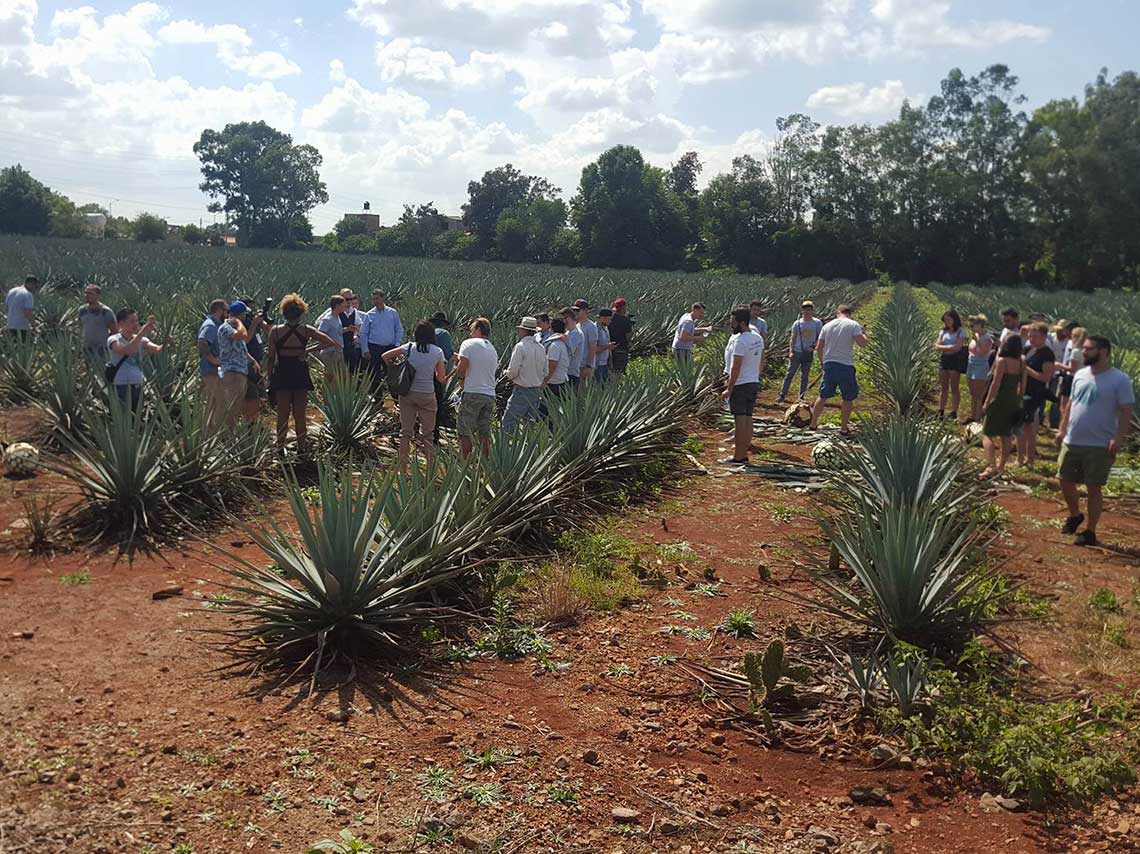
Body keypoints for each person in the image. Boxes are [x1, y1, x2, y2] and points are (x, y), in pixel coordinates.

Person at [1056, 335, 1134, 546]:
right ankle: (1075, 515)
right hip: (1073, 439)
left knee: (1093, 487)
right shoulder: (1080, 374)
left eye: (1090, 349)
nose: (1085, 353)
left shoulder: (1120, 380)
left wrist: (1118, 438)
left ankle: (1090, 531)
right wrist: (1062, 429)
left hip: (1100, 444)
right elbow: (1071, 403)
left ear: (1104, 352)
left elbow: (1127, 411)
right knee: (1064, 480)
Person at [266, 294, 337, 454]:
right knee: (300, 413)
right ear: (300, 313)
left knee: (282, 414)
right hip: (300, 371)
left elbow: (271, 358)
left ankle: (280, 447)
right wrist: (306, 350)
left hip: (282, 372)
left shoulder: (275, 332)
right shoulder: (306, 330)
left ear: (284, 313)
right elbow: (329, 342)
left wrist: (269, 379)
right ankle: (301, 448)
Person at [384, 320, 446, 469]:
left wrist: (395, 369)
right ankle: (430, 469)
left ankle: (403, 468)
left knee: (405, 432)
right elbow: (441, 378)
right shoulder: (437, 352)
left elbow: (385, 356)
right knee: (428, 435)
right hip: (427, 394)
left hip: (408, 393)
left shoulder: (409, 347)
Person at [810, 305, 868, 435]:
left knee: (823, 395)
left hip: (830, 364)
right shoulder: (853, 324)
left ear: (838, 313)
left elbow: (819, 347)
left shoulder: (827, 326)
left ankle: (813, 424)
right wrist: (864, 333)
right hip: (845, 365)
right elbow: (862, 343)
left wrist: (823, 362)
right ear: (849, 314)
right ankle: (843, 428)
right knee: (848, 398)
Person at [721, 307, 765, 465]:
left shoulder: (740, 341)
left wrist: (729, 388)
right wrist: (756, 375)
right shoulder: (757, 338)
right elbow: (762, 359)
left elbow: (735, 367)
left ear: (742, 322)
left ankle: (738, 456)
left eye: (734, 322)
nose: (732, 325)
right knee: (747, 417)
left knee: (739, 421)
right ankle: (743, 451)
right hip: (753, 382)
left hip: (740, 384)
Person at [980, 335, 1025, 478]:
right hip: (1013, 401)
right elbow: (1023, 386)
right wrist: (1018, 401)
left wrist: (987, 402)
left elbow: (996, 383)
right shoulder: (1022, 362)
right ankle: (1001, 466)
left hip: (999, 400)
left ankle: (990, 466)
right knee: (1006, 434)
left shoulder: (1002, 361)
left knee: (987, 434)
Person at [455, 317, 498, 458]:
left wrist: (461, 379)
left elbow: (463, 366)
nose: (470, 333)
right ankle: (484, 464)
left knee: (465, 431)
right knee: (484, 432)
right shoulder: (492, 348)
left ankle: (464, 464)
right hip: (489, 394)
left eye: (472, 329)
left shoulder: (468, 344)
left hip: (473, 392)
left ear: (478, 329)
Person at [107, 308, 164, 411]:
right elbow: (127, 350)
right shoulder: (113, 339)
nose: (136, 324)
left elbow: (158, 349)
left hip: (138, 383)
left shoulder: (142, 340)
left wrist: (167, 341)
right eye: (132, 321)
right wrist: (142, 333)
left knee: (137, 415)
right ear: (121, 323)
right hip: (122, 384)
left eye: (136, 321)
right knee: (123, 415)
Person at [1019, 321, 1056, 466]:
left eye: (1035, 336)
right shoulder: (1028, 349)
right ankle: (1020, 457)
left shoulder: (1047, 354)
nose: (1031, 338)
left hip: (1035, 393)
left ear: (1043, 336)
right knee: (1019, 425)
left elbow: (1045, 377)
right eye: (1030, 335)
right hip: (1022, 389)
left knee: (1029, 427)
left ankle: (1029, 459)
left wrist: (1027, 369)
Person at [217, 301, 258, 428]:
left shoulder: (233, 327)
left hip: (241, 371)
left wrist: (252, 361)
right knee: (233, 406)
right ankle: (230, 435)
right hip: (232, 372)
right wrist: (240, 323)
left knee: (247, 400)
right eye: (244, 315)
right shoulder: (226, 327)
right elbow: (242, 335)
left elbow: (241, 346)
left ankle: (248, 428)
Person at [502, 317, 547, 433]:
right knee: (530, 423)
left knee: (509, 422)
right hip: (536, 391)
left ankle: (507, 447)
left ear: (523, 331)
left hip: (522, 390)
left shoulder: (520, 347)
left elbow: (513, 371)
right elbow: (545, 371)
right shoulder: (541, 348)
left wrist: (506, 375)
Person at [360, 290, 404, 398]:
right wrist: (365, 350)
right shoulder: (369, 314)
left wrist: (397, 346)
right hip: (374, 348)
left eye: (377, 298)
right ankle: (378, 400)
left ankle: (396, 399)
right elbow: (363, 333)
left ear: (382, 298)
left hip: (389, 348)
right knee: (374, 375)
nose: (375, 301)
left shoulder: (392, 313)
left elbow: (399, 329)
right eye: (373, 299)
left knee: (391, 374)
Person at [777, 300, 823, 404]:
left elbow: (820, 337)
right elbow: (792, 338)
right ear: (802, 310)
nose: (807, 311)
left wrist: (814, 347)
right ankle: (782, 395)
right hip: (797, 351)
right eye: (805, 309)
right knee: (790, 374)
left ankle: (801, 396)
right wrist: (791, 351)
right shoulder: (797, 323)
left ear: (812, 310)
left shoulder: (817, 323)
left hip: (808, 352)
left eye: (809, 309)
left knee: (805, 376)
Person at [236, 296, 268, 422]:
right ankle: (249, 422)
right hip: (247, 363)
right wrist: (254, 324)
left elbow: (268, 330)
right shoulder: (238, 324)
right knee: (252, 394)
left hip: (256, 361)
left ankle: (253, 420)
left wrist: (262, 320)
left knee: (259, 392)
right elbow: (245, 340)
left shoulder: (249, 321)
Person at [197, 299, 227, 431]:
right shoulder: (210, 326)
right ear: (220, 310)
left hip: (215, 372)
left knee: (215, 403)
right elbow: (202, 342)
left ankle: (211, 434)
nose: (227, 313)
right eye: (226, 310)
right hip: (210, 372)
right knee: (213, 403)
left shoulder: (217, 325)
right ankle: (206, 436)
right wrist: (213, 359)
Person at [935, 310, 969, 420]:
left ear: (954, 319)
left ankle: (954, 411)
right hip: (944, 359)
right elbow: (937, 346)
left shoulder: (961, 332)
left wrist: (944, 347)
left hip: (955, 360)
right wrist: (950, 347)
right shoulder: (943, 331)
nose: (947, 322)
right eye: (945, 320)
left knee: (954, 387)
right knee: (943, 386)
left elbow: (958, 347)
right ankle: (941, 410)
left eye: (949, 320)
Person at [430, 311, 455, 441]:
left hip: (422, 372)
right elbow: (448, 353)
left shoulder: (427, 333)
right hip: (436, 372)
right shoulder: (444, 334)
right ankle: (434, 434)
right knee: (436, 403)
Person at [78, 284, 118, 364]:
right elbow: (81, 327)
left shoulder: (106, 312)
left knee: (102, 372)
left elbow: (114, 331)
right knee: (89, 372)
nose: (87, 295)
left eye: (90, 293)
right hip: (87, 348)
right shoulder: (82, 310)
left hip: (102, 349)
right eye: (86, 293)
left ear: (98, 295)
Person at [965, 314, 994, 422]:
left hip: (981, 366)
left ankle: (978, 418)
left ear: (980, 325)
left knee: (979, 394)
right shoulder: (974, 337)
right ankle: (972, 416)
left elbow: (982, 352)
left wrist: (977, 340)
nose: (971, 328)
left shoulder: (987, 339)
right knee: (972, 393)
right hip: (971, 364)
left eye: (973, 325)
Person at [1047, 320, 1075, 429]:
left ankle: (1055, 422)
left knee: (1057, 397)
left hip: (1061, 373)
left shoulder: (1069, 342)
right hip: (1048, 369)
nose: (1060, 333)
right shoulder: (1051, 338)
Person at [1059, 326, 1087, 420]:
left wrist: (1058, 365)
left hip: (1071, 378)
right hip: (1082, 379)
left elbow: (1072, 369)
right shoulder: (1085, 351)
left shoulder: (1076, 351)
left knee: (1064, 405)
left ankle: (1065, 426)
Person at [316, 295, 346, 380]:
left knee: (341, 376)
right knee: (330, 376)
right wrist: (332, 342)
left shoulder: (337, 317)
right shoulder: (327, 320)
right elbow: (321, 334)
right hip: (329, 352)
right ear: (337, 305)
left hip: (339, 351)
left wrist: (347, 329)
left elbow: (336, 332)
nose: (345, 307)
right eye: (343, 305)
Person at [543, 317, 571, 399]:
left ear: (551, 328)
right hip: (561, 380)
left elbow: (552, 365)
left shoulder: (555, 345)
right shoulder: (564, 342)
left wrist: (545, 381)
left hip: (554, 383)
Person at [338, 290, 363, 373]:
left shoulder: (353, 311)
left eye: (351, 299)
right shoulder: (334, 312)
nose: (349, 302)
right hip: (337, 349)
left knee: (352, 371)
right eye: (347, 299)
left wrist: (356, 336)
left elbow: (359, 325)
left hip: (350, 348)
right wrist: (346, 329)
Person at [574, 300, 598, 383]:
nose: (575, 313)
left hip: (586, 366)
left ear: (585, 310)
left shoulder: (591, 326)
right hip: (578, 365)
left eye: (578, 310)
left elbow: (593, 346)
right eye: (574, 310)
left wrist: (589, 365)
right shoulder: (577, 326)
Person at [608, 299, 634, 376]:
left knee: (609, 372)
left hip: (608, 349)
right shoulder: (625, 320)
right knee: (619, 373)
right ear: (623, 308)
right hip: (621, 349)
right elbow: (628, 335)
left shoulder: (609, 318)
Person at [561, 307, 585, 388]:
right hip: (566, 372)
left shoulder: (577, 334)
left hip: (571, 373)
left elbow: (570, 352)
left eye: (566, 318)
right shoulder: (568, 332)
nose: (564, 321)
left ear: (573, 319)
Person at [594, 308, 616, 384]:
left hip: (605, 364)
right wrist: (607, 347)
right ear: (603, 318)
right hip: (597, 365)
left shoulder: (606, 329)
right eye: (609, 319)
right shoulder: (595, 329)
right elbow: (594, 348)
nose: (610, 321)